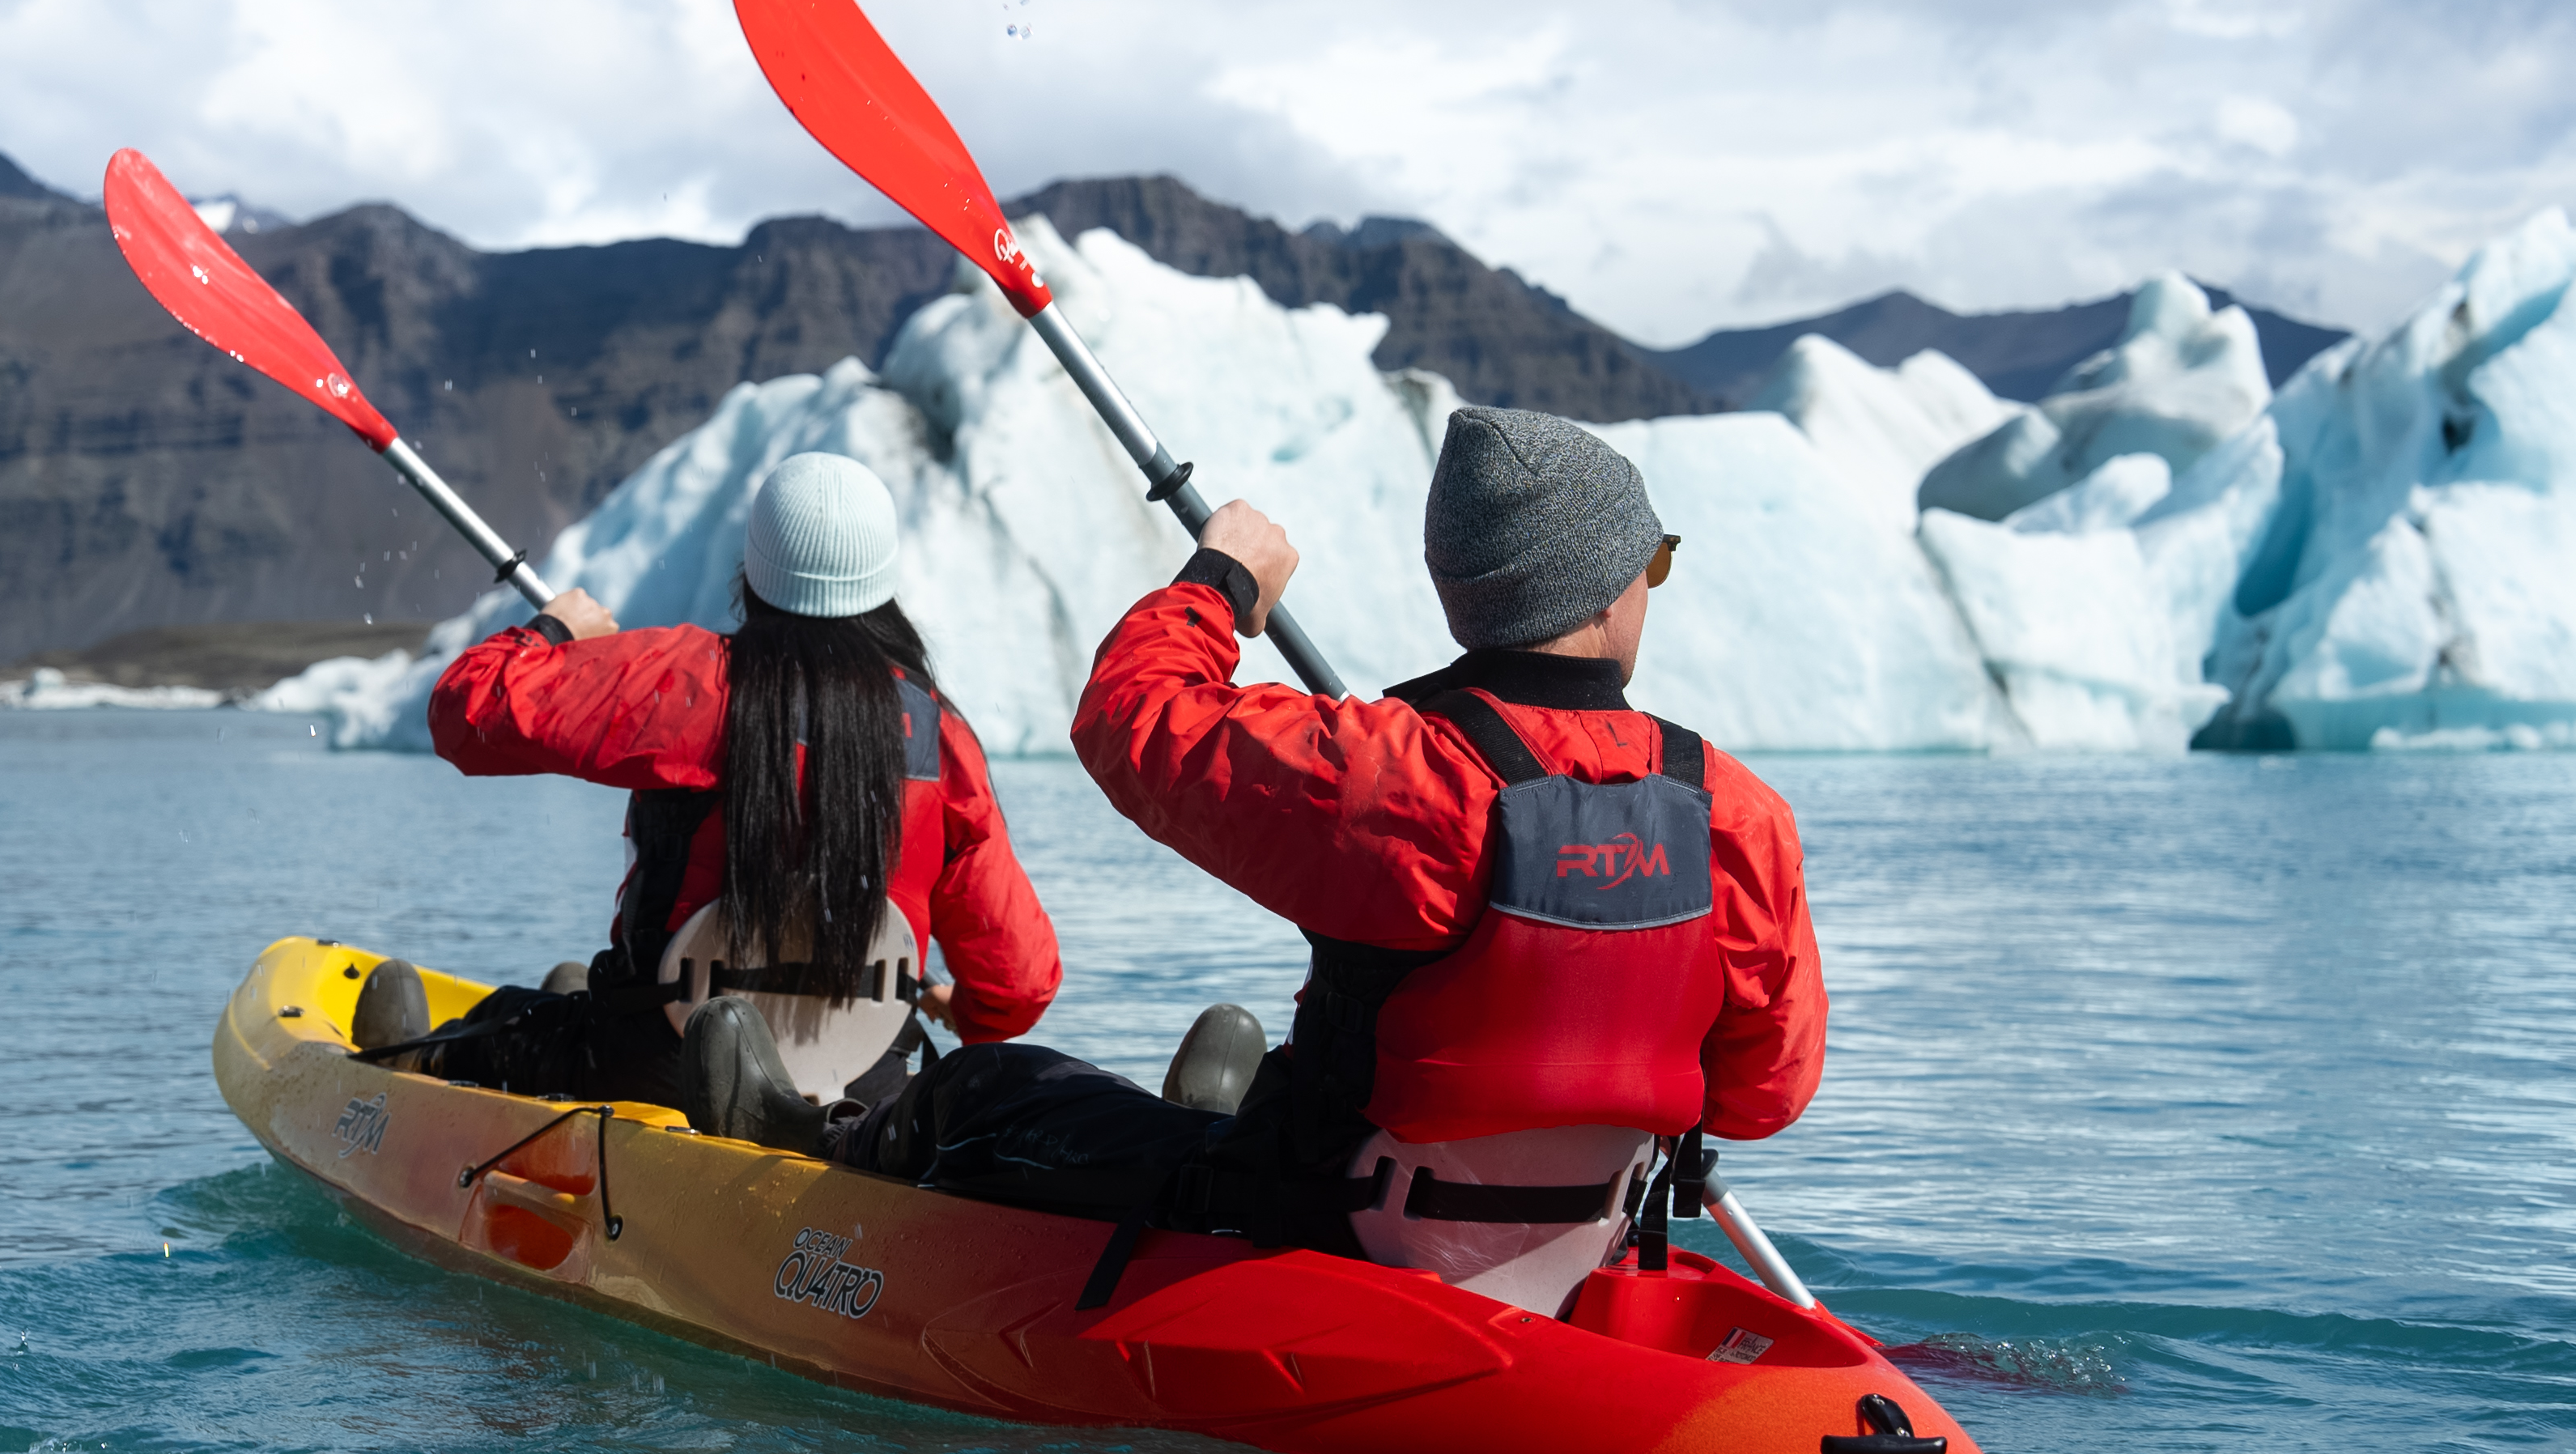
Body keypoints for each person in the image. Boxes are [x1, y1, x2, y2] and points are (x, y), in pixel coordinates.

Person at [828, 404, 1827, 1320]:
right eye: (1650, 566)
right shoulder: (1736, 814)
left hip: (1347, 1234)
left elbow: (1133, 714)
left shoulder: (1397, 774)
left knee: (989, 1088)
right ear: (1604, 594)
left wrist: (1220, 578)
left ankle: (821, 1143)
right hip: (1583, 1250)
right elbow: (1759, 1095)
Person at [378, 452, 1064, 1136]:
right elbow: (1021, 982)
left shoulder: (691, 684)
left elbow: (463, 711)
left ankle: (385, 1080)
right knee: (570, 1000)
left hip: (655, 1067)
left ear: (754, 572)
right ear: (884, 585)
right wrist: (965, 1010)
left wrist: (554, 630)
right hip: (864, 1089)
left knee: (497, 1028)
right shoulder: (942, 738)